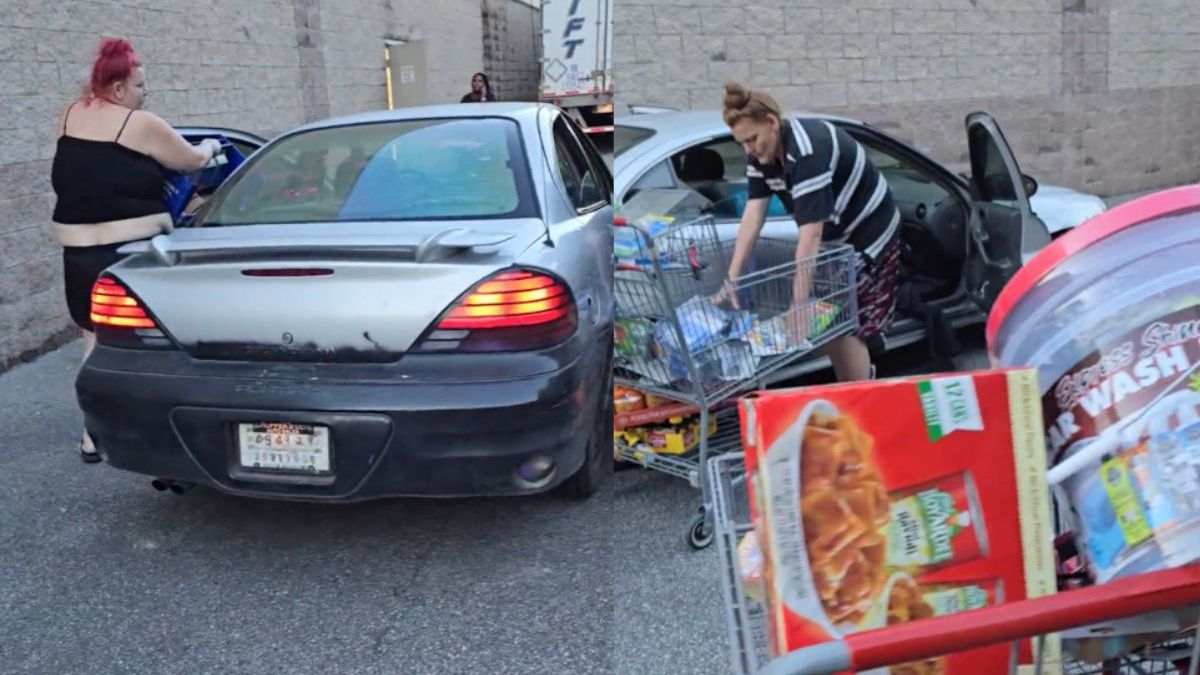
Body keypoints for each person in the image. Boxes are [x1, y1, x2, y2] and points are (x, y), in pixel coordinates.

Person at [51, 37, 222, 463]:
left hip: (77, 253)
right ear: (118, 89)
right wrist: (213, 148)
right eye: (141, 85)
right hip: (129, 251)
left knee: (93, 341)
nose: (145, 94)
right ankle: (172, 428)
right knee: (155, 342)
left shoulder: (70, 114)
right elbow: (192, 162)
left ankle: (92, 435)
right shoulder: (140, 124)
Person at [714, 82, 902, 382]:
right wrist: (733, 278)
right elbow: (753, 213)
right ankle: (852, 385)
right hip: (837, 242)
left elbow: (810, 235)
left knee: (847, 324)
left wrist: (798, 303)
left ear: (772, 123)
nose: (747, 149)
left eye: (751, 139)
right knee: (829, 319)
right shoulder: (761, 156)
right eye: (742, 143)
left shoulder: (808, 152)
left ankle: (858, 397)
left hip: (870, 235)